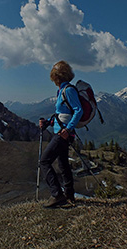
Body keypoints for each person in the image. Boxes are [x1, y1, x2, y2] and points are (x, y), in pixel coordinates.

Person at [38, 60, 82, 208]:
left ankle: (57, 195)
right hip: (62, 131)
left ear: (56, 77)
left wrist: (68, 129)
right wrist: (48, 122)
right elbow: (61, 114)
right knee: (63, 165)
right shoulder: (61, 91)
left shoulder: (68, 90)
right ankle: (69, 196)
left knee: (44, 161)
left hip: (63, 133)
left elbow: (78, 110)